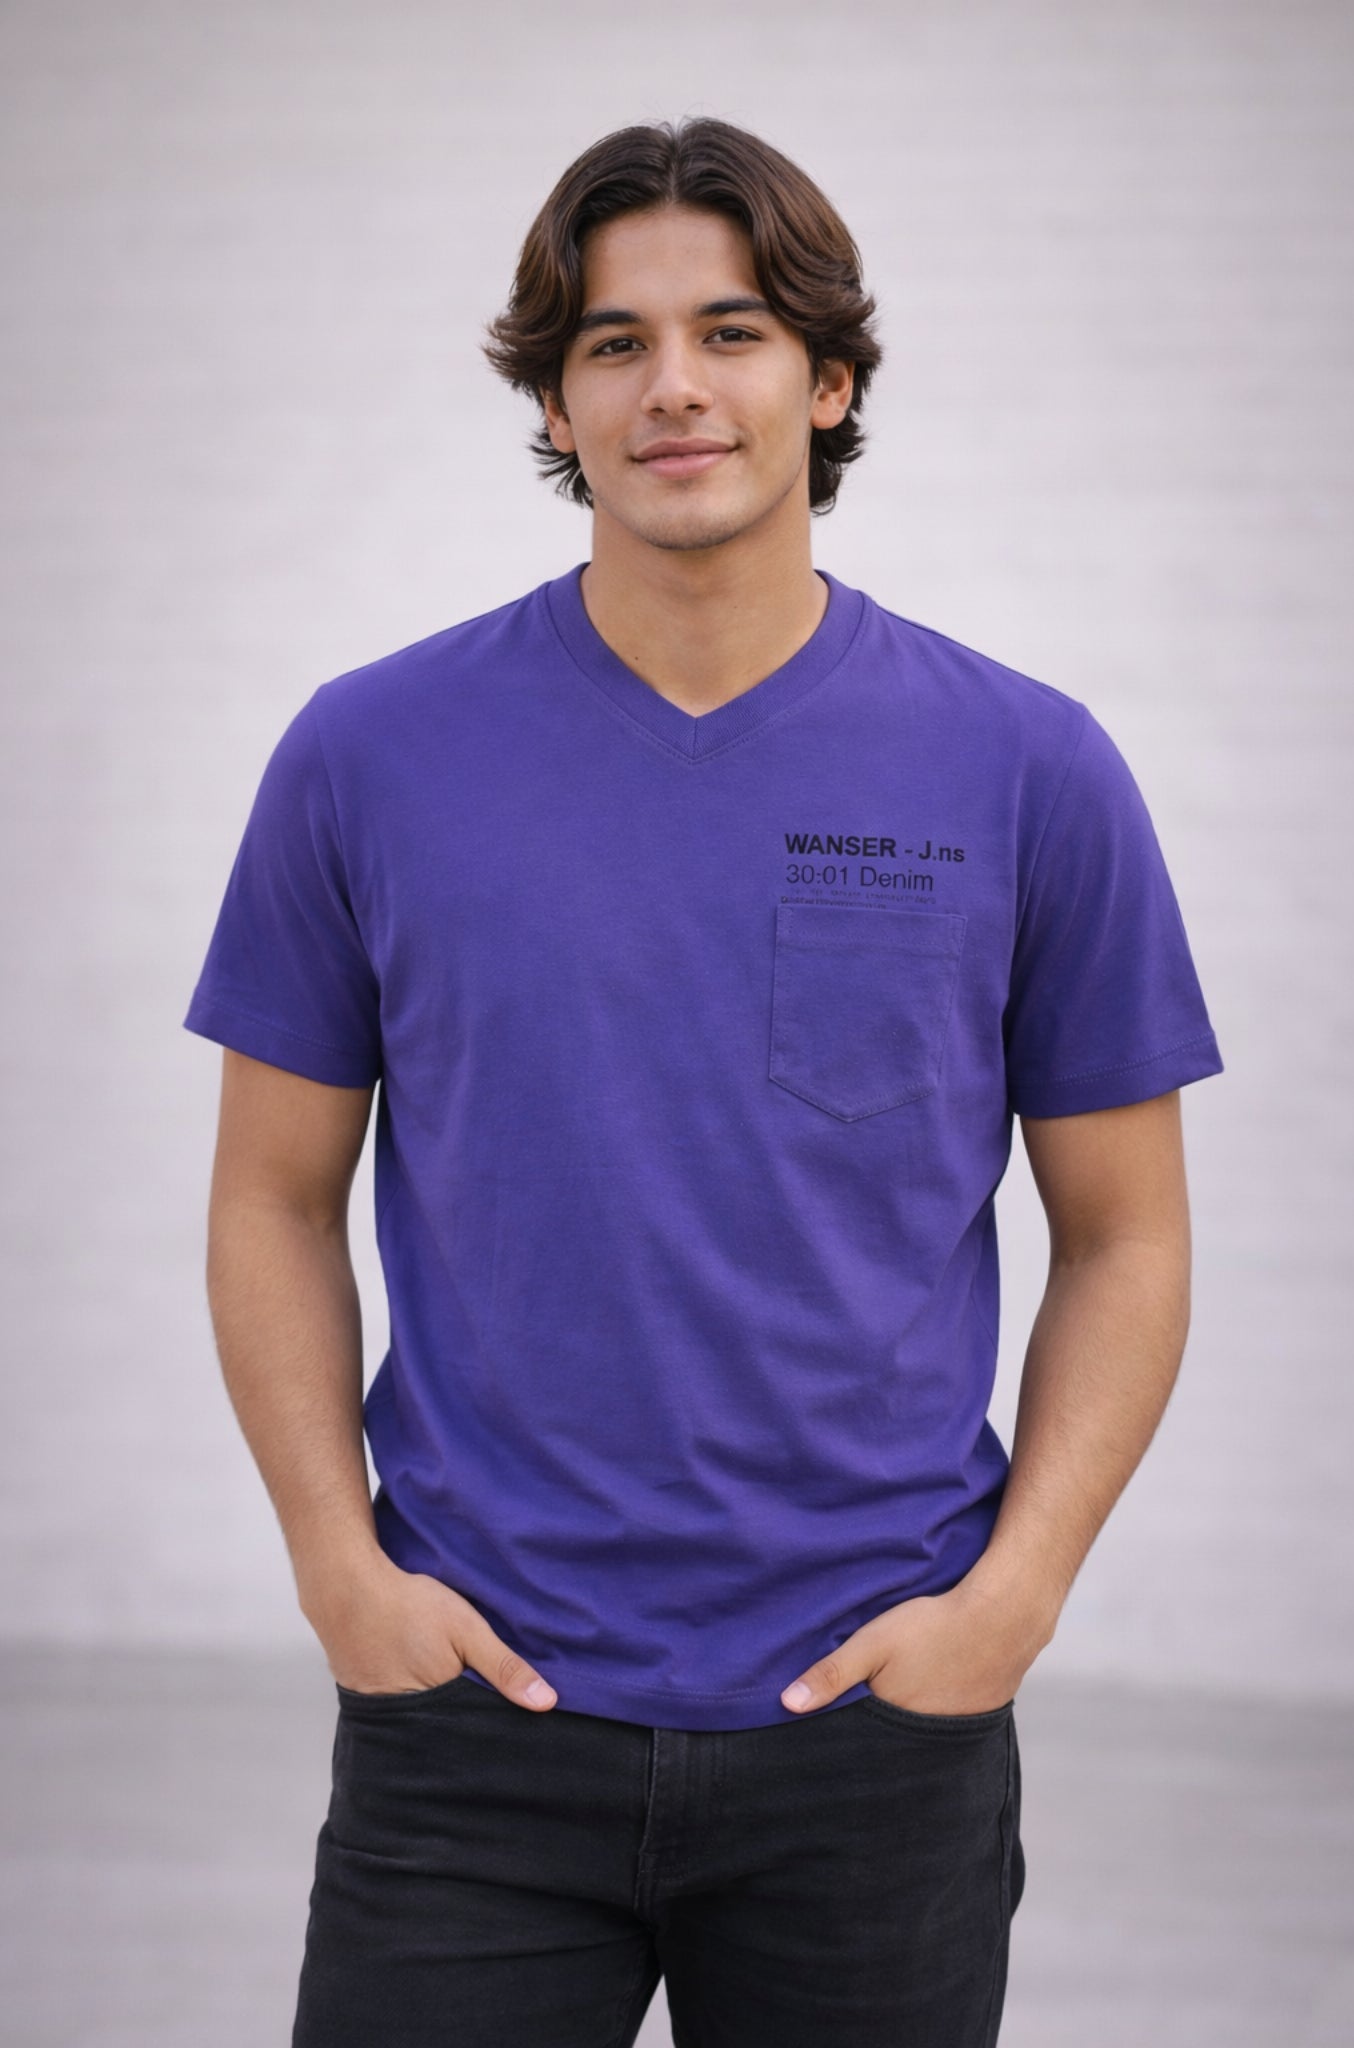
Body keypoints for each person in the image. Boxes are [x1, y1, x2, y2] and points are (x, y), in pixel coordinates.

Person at [183, 115, 1223, 2048]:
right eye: (614, 342)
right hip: (471, 1716)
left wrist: (1012, 1599)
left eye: (731, 331)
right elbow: (268, 1195)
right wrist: (340, 1571)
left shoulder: (1027, 768)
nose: (673, 384)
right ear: (554, 404)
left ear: (825, 382)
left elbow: (1126, 1237)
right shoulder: (368, 756)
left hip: (875, 1726)